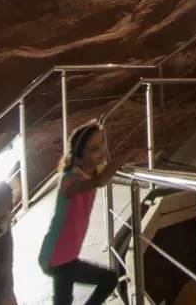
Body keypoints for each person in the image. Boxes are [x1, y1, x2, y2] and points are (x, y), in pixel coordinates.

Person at [40, 124, 121, 305]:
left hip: (65, 256)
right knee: (108, 279)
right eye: (94, 148)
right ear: (79, 155)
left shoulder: (88, 172)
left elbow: (98, 177)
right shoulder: (70, 179)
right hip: (57, 256)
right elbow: (98, 182)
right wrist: (118, 162)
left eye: (102, 143)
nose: (102, 150)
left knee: (64, 300)